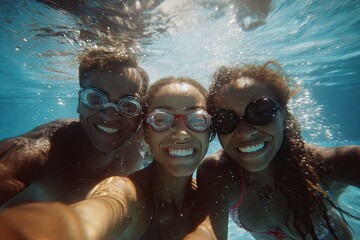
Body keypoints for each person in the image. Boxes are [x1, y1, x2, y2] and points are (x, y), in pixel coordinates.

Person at [0, 77, 215, 240]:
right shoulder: (125, 192)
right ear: (146, 133)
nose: (181, 133)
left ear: (210, 130)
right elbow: (93, 216)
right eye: (161, 119)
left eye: (196, 120)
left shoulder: (212, 193)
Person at [194, 61, 360, 239]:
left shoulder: (326, 165)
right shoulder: (218, 173)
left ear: (284, 116)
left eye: (261, 112)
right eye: (225, 120)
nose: (245, 132)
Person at [0, 47, 149, 207]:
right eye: (95, 98)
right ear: (79, 102)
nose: (110, 116)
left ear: (141, 112)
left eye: (128, 106)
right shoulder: (41, 152)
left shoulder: (142, 137)